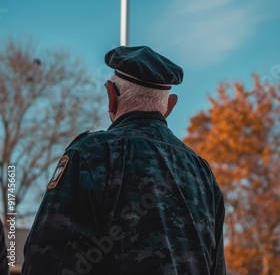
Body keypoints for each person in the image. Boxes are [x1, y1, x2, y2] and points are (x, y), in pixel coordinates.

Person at [22, 45, 226, 275]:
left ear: (111, 95)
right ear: (169, 106)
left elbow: (46, 262)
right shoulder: (202, 173)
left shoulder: (90, 154)